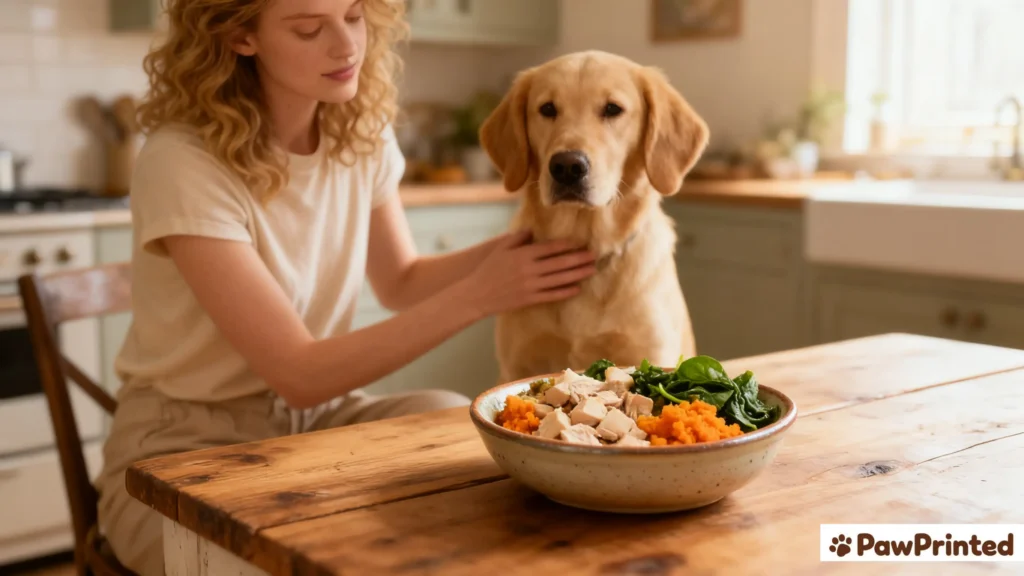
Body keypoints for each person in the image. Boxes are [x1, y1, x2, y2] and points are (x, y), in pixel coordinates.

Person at [93, 0, 597, 573]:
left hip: (312, 425)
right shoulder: (183, 162)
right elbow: (300, 374)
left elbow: (401, 281)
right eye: (310, 28)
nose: (346, 45)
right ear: (239, 36)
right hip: (181, 450)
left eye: (354, 15)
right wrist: (482, 293)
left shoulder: (359, 131)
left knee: (454, 423)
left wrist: (517, 253)